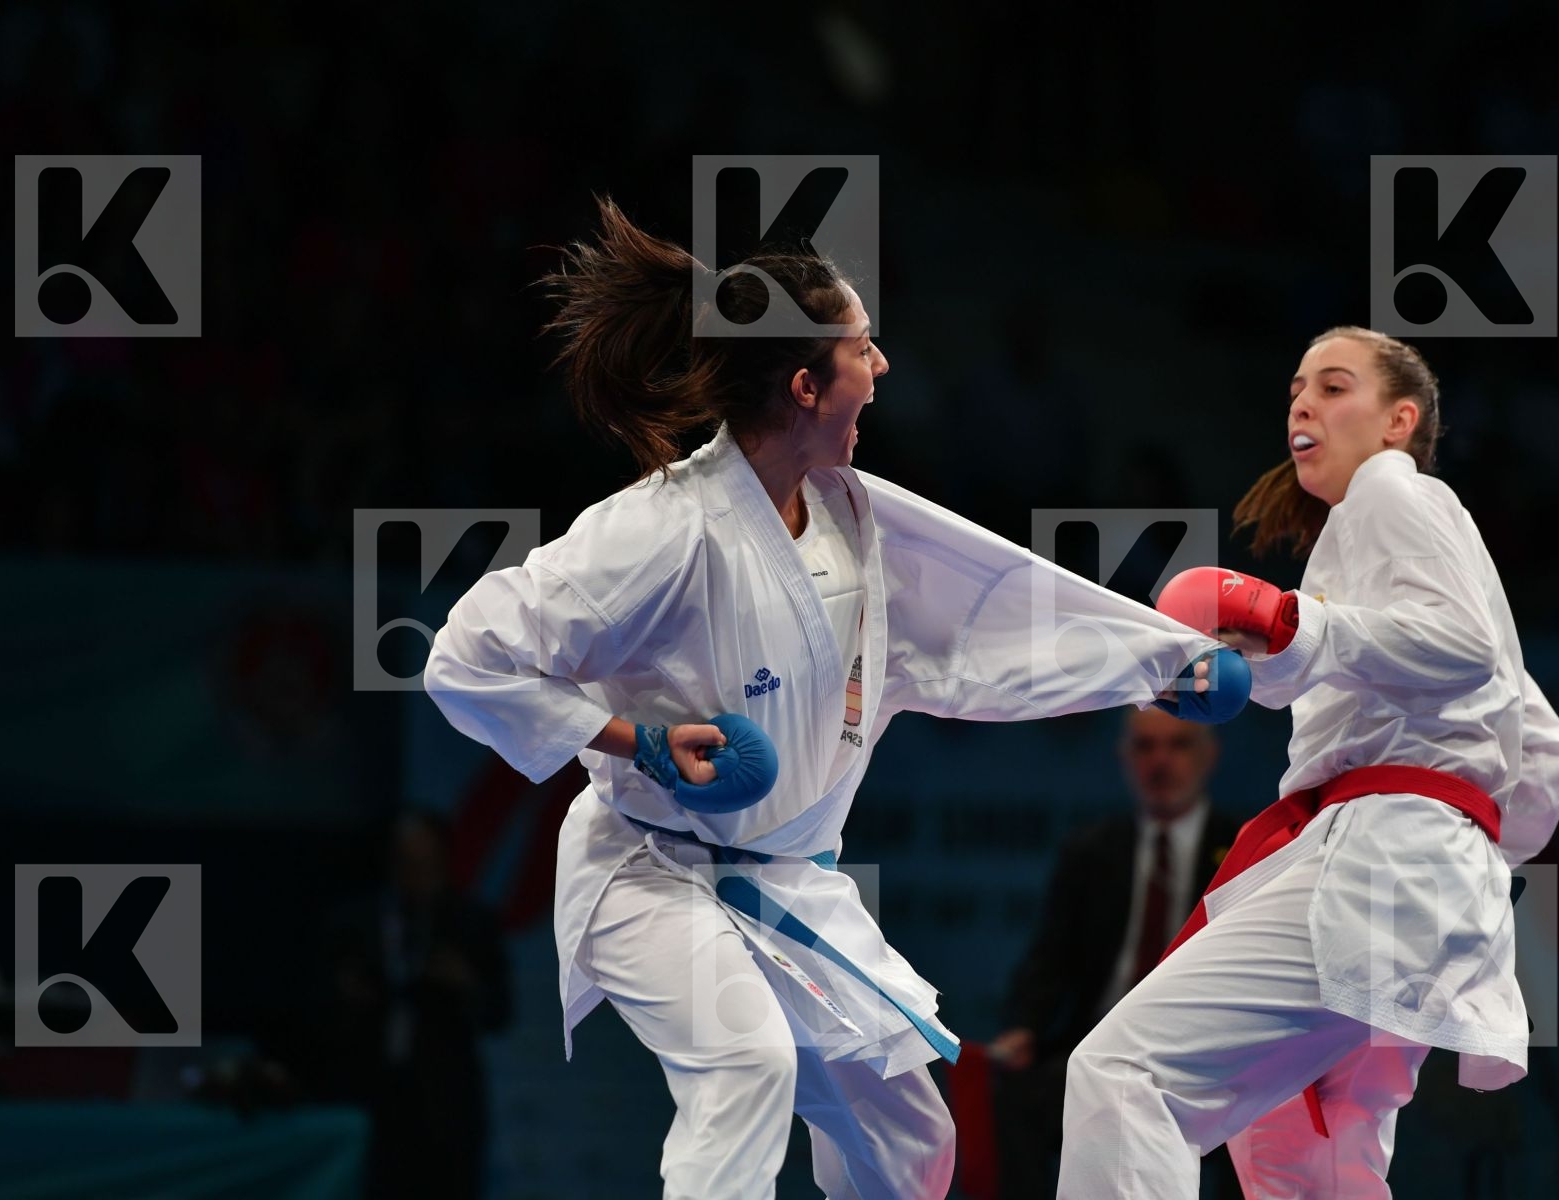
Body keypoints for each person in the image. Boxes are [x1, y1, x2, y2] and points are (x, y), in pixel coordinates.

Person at [422, 196, 1246, 1200]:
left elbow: (1001, 613)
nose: (885, 368)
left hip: (788, 886)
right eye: (865, 349)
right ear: (809, 385)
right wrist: (632, 739)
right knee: (745, 1067)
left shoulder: (857, 520)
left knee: (912, 1143)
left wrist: (1162, 661)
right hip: (647, 875)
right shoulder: (661, 528)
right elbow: (466, 656)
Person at [1058, 327, 1559, 1198]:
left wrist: (1300, 627)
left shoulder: (1392, 492)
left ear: (1398, 421)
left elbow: (1461, 649)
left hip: (1387, 857)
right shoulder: (1387, 541)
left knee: (1125, 1073)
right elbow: (1543, 750)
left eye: (1336, 387)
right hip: (1421, 871)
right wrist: (1468, 857)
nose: (1303, 403)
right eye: (1297, 387)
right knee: (1310, 1163)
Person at [990, 707, 1240, 1198]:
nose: (1160, 761)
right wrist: (1024, 1028)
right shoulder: (1091, 851)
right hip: (1098, 1050)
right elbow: (1050, 960)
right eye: (1145, 747)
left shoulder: (1242, 849)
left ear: (1210, 755)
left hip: (1211, 1058)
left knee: (1266, 1116)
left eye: (1179, 745)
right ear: (1124, 757)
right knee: (1020, 1092)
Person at [316, 811, 513, 1200]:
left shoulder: (471, 923)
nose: (417, 876)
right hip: (367, 1094)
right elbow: (312, 1008)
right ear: (390, 863)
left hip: (447, 1103)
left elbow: (501, 1012)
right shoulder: (353, 923)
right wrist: (346, 996)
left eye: (427, 864)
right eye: (407, 863)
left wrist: (468, 985)